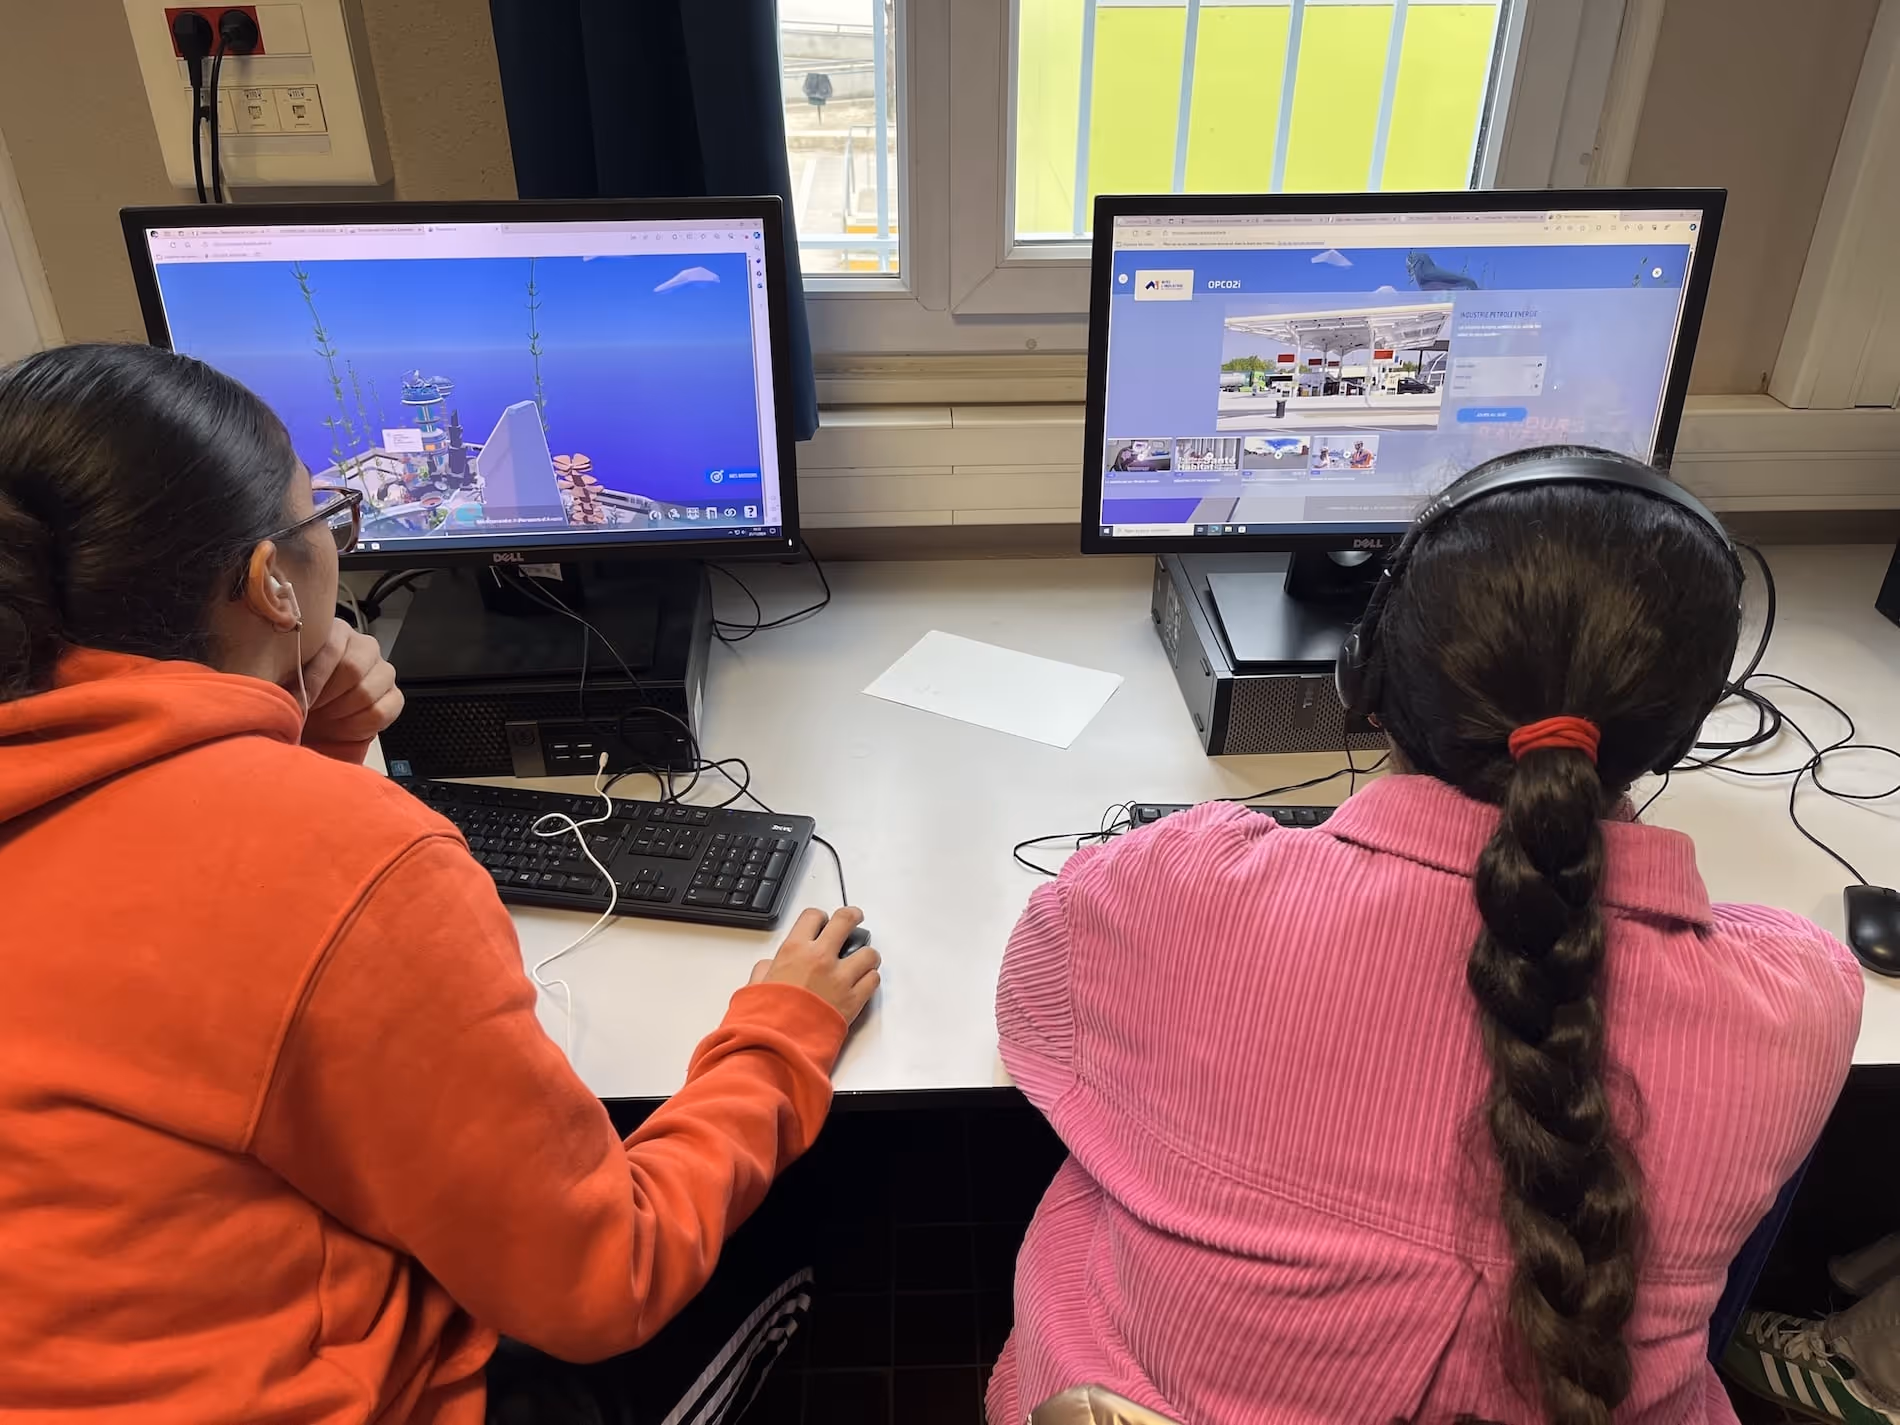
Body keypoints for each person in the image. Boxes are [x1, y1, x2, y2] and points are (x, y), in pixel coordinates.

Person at [0, 343, 881, 1424]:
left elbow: (212, 991)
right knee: (811, 1186)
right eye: (322, 511)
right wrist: (780, 1034)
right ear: (270, 582)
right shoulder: (351, 859)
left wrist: (291, 746)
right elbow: (606, 1279)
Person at [990, 446, 1863, 1425]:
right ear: (1679, 734)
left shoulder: (1169, 893)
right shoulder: (1796, 1005)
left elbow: (1029, 1017)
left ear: (1360, 679)